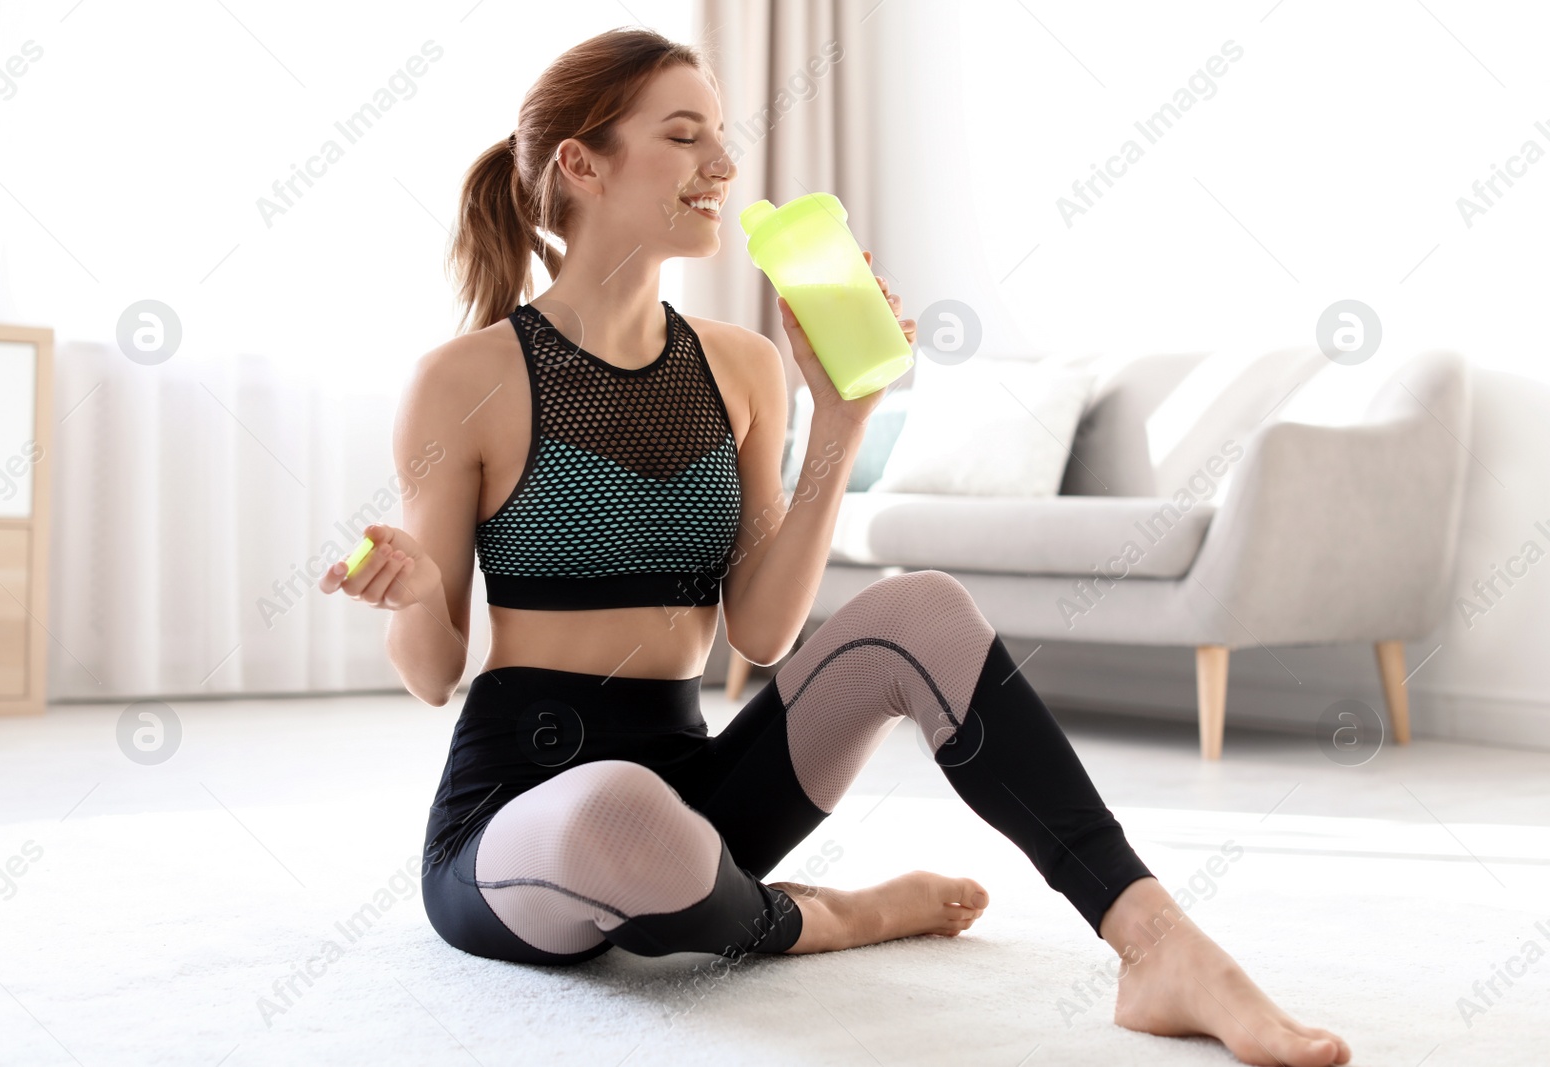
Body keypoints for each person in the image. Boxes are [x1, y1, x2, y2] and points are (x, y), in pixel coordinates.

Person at [320, 27, 1351, 1067]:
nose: (723, 166)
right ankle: (828, 917)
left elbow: (763, 630)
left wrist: (843, 420)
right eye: (684, 138)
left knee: (925, 607)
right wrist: (413, 592)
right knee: (614, 809)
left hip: (697, 795)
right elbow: (433, 673)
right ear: (581, 164)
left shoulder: (743, 366)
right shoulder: (465, 378)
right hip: (520, 816)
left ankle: (1158, 944)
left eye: (720, 137)